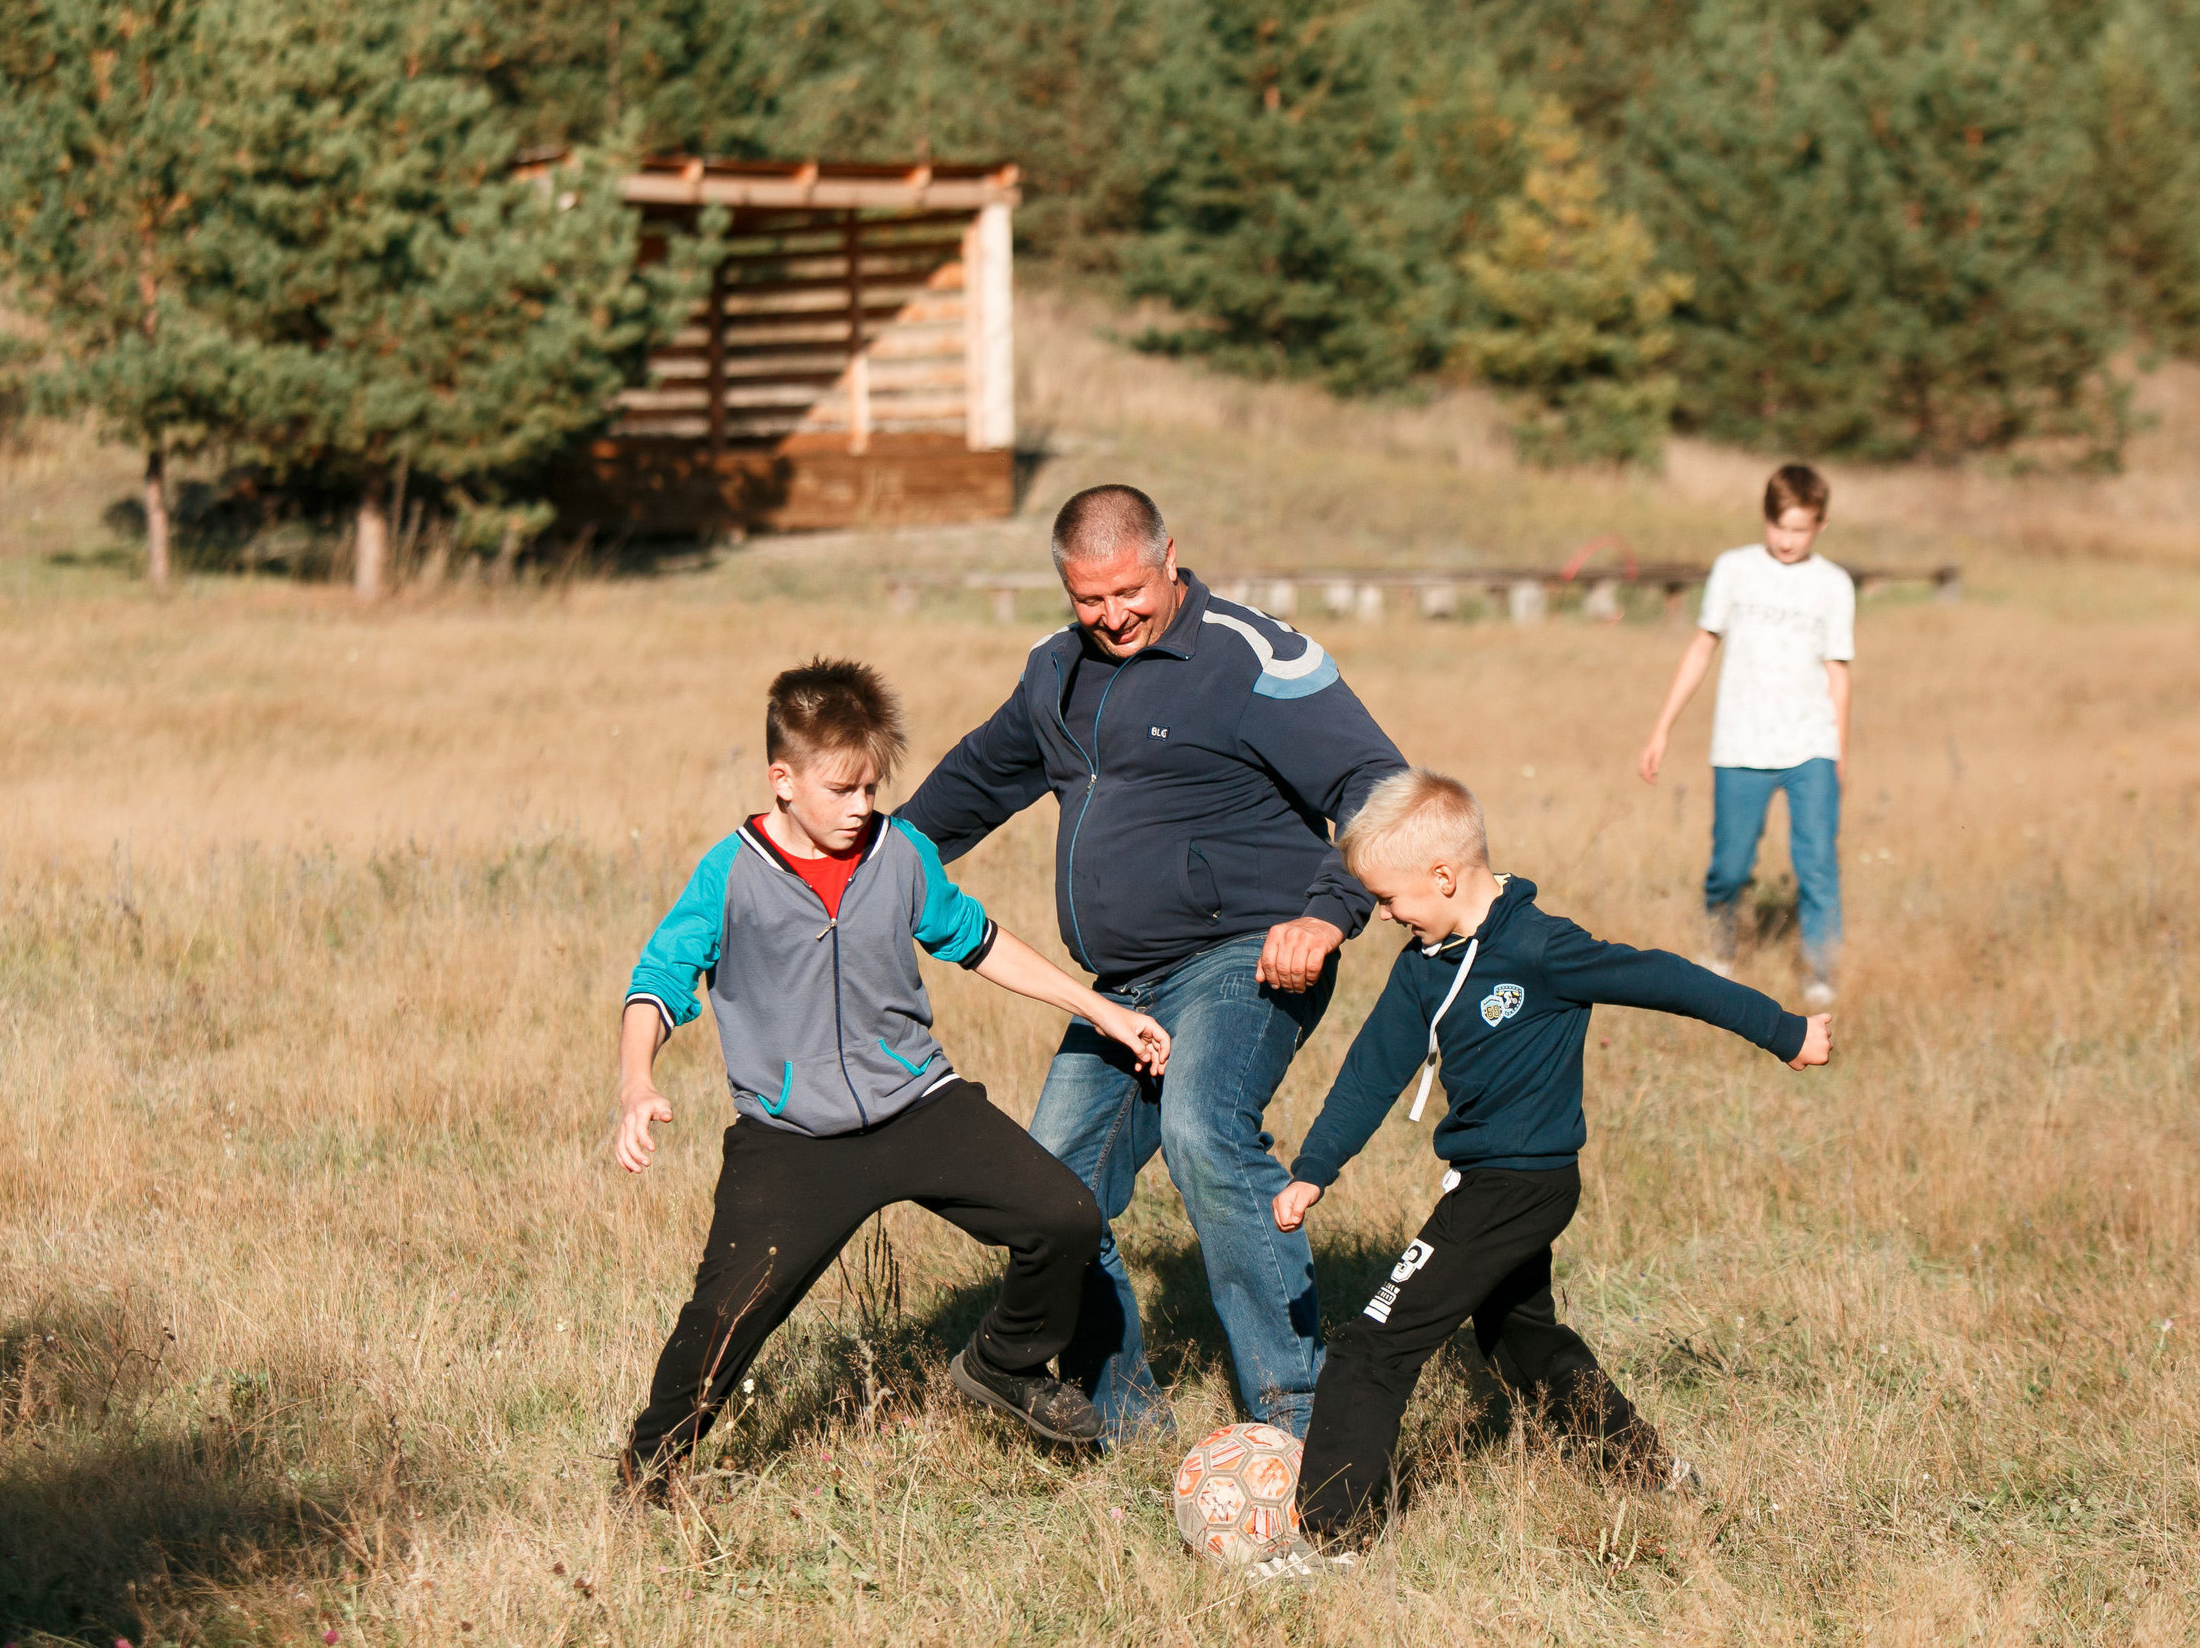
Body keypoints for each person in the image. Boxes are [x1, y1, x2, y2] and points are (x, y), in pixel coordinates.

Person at [897, 485, 1407, 1439]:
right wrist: (865, 869)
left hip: (1247, 956)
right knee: (1050, 1191)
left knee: (1203, 1131)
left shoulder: (1252, 657)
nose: (1112, 615)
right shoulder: (1055, 671)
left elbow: (1378, 784)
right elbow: (974, 781)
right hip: (1120, 990)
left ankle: (1302, 1420)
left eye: (1129, 590)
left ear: (1170, 558)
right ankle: (1124, 1419)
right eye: (1088, 598)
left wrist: (1327, 915)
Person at [610, 659, 1174, 1498]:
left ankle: (1004, 1361)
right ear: (783, 780)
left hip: (918, 1104)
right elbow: (657, 980)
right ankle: (647, 1473)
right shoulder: (729, 875)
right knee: (723, 1319)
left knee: (1066, 1216)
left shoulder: (900, 852)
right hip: (793, 1136)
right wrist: (636, 1082)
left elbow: (979, 939)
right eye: (841, 789)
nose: (861, 805)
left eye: (871, 787)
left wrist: (1101, 1010)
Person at [1272, 768, 1831, 1552]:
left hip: (1517, 1186)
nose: (1386, 914)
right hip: (1491, 1182)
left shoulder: (1540, 947)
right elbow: (1370, 1071)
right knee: (1521, 1338)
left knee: (1374, 1344)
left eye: (1390, 898)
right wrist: (1313, 1167)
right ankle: (1650, 1472)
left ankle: (1330, 1539)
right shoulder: (1422, 965)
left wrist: (1785, 1030)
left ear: (1443, 875)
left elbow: (1668, 979)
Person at [1637, 463, 1856, 1008]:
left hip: (1810, 745)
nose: (1787, 539)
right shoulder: (1734, 569)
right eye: (1779, 526)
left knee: (1817, 863)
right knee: (1730, 867)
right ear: (1765, 518)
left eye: (1800, 529)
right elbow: (1701, 649)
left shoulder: (1833, 584)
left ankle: (1820, 971)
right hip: (1740, 744)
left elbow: (1837, 672)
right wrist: (1662, 728)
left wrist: (1839, 752)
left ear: (1820, 525)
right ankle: (1720, 946)